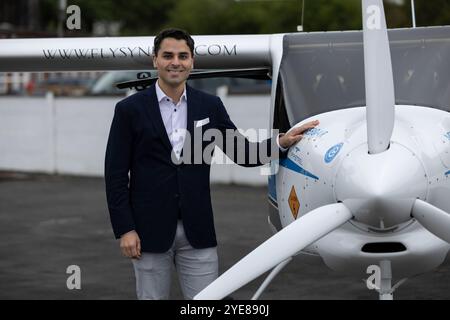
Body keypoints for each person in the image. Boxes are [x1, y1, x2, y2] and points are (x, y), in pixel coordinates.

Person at [105, 28, 319, 300]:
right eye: (168, 55)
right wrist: (125, 229)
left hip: (198, 229)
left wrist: (281, 142)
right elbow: (115, 175)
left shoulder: (210, 105)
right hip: (147, 232)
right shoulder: (129, 110)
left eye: (183, 56)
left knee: (207, 302)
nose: (175, 62)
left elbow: (243, 153)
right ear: (155, 60)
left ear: (192, 61)